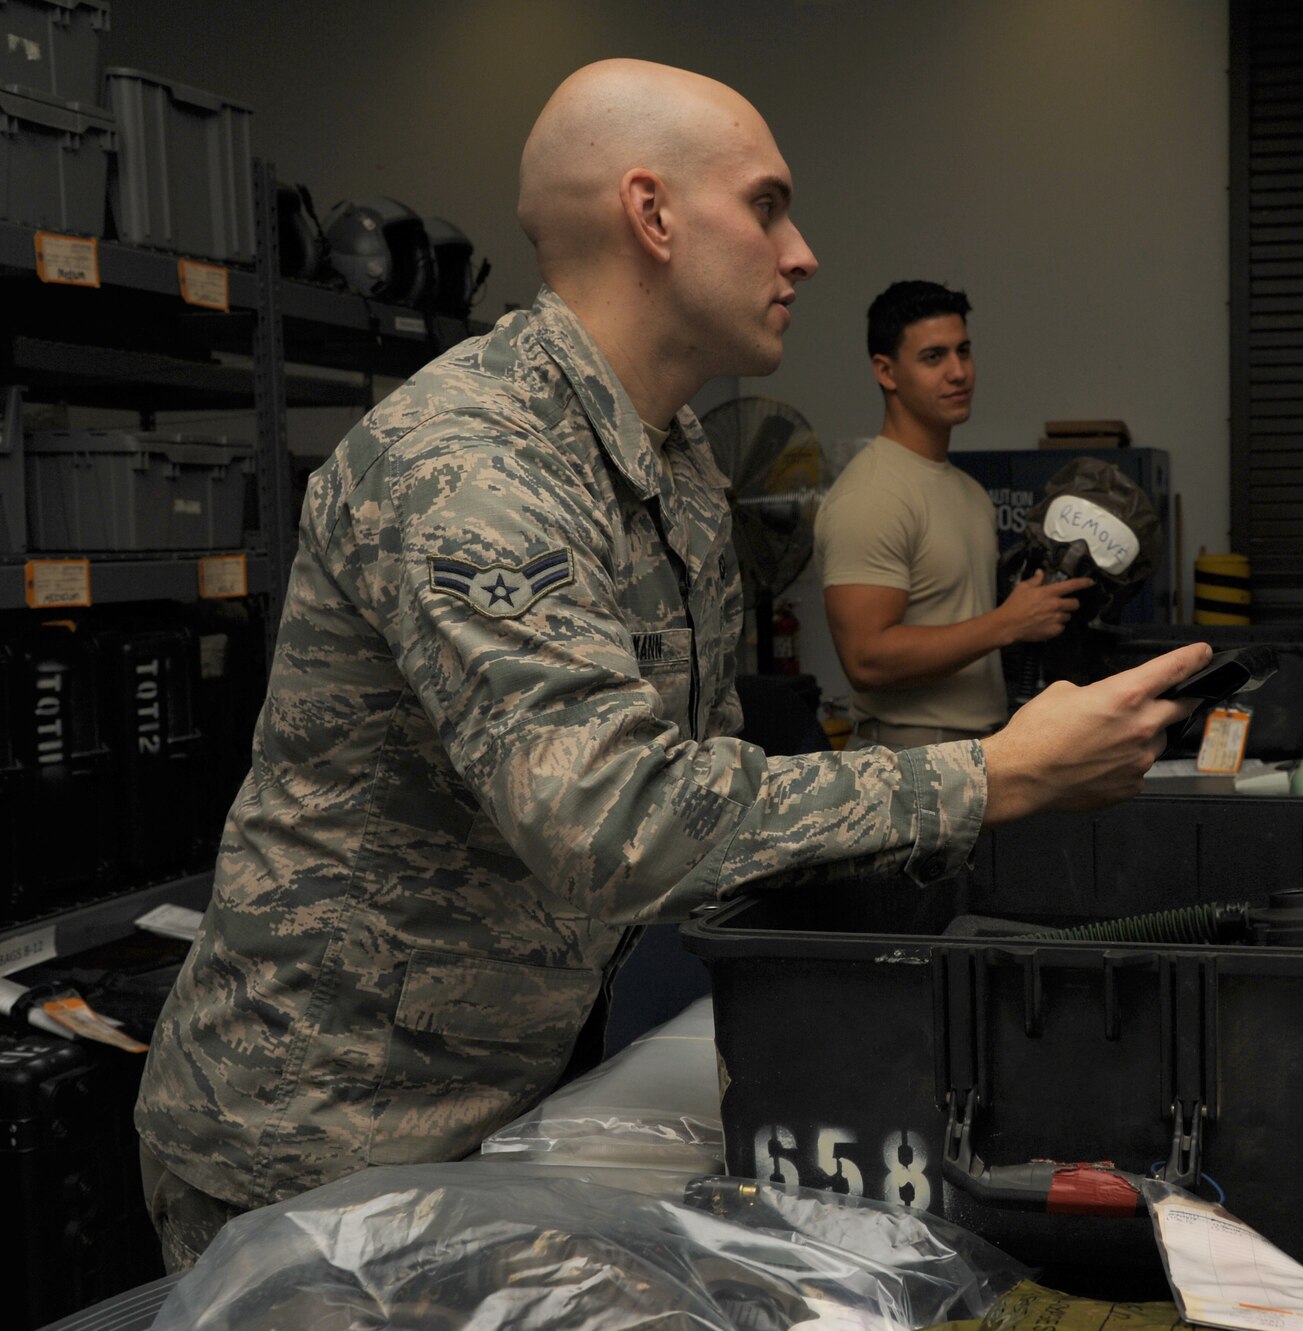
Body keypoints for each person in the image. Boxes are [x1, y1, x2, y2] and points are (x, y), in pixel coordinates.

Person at [130, 59, 1209, 1273]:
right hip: (308, 1143)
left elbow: (706, 776)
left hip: (496, 1107)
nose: (800, 252)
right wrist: (988, 776)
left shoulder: (674, 456)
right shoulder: (467, 463)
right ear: (650, 215)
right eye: (765, 205)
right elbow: (610, 816)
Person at [816, 282, 1091, 749]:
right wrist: (1008, 622)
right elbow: (866, 660)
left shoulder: (969, 492)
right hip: (905, 757)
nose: (959, 372)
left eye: (963, 351)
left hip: (979, 748)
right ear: (886, 372)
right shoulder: (871, 494)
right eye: (933, 357)